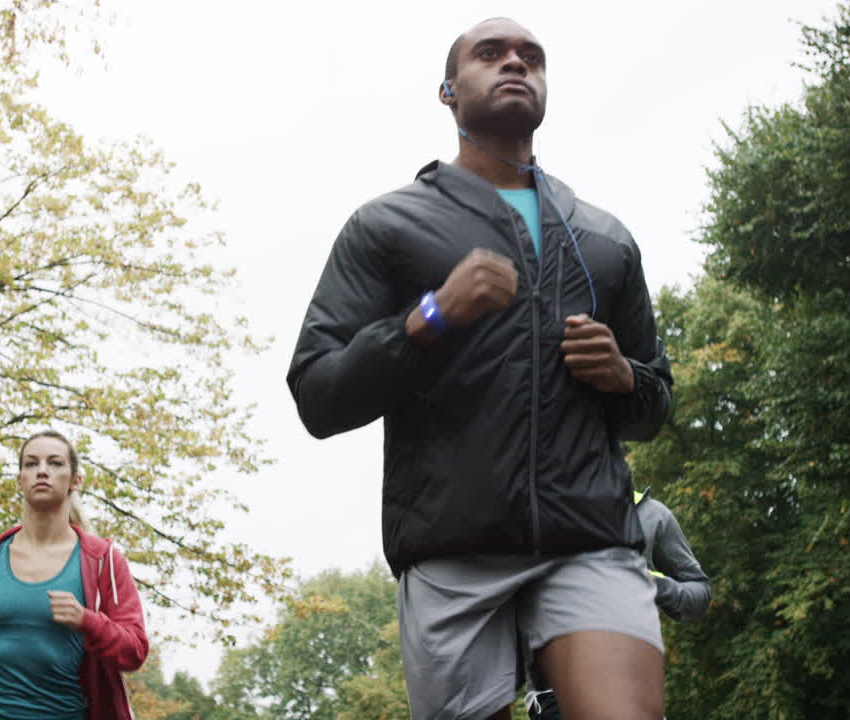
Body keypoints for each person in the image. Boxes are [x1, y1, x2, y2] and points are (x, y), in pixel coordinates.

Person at [286, 16, 673, 720]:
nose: (515, 64)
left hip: (590, 541)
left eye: (532, 57)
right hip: (451, 552)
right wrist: (429, 317)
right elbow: (317, 392)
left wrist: (624, 375)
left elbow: (655, 406)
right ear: (448, 90)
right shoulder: (388, 226)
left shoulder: (604, 238)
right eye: (490, 54)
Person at [0, 430, 148, 720]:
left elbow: (134, 650)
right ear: (20, 480)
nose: (42, 471)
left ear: (76, 481)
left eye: (55, 463)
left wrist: (87, 621)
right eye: (31, 463)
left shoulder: (102, 562)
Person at [524, 487, 712, 719]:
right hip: (558, 697)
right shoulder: (538, 513)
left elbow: (700, 592)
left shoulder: (652, 515)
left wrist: (657, 585)